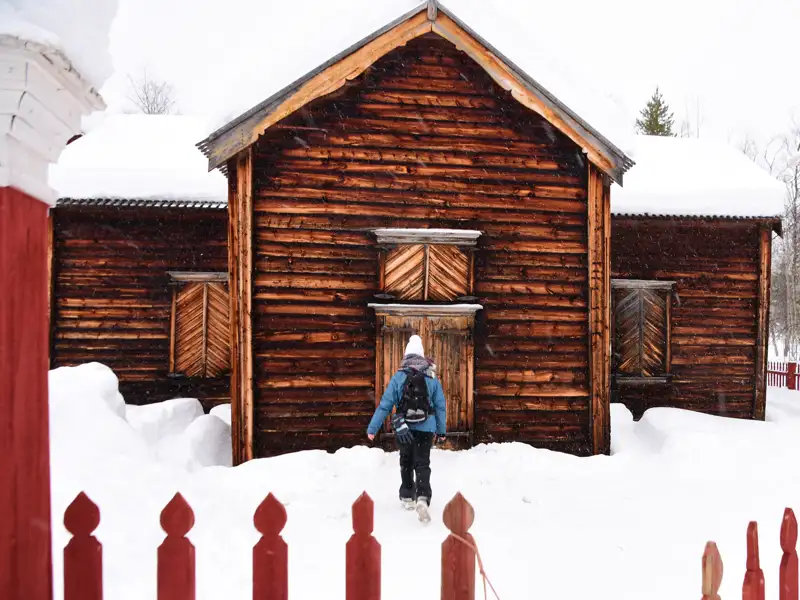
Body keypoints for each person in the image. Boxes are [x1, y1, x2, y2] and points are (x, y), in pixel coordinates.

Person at [367, 335, 446, 520]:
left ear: (406, 355)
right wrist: (441, 431)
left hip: (405, 428)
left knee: (406, 461)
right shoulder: (431, 377)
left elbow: (385, 405)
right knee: (423, 462)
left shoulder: (399, 377)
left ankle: (407, 495)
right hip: (426, 428)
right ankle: (423, 496)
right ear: (422, 355)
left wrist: (373, 428)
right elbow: (440, 406)